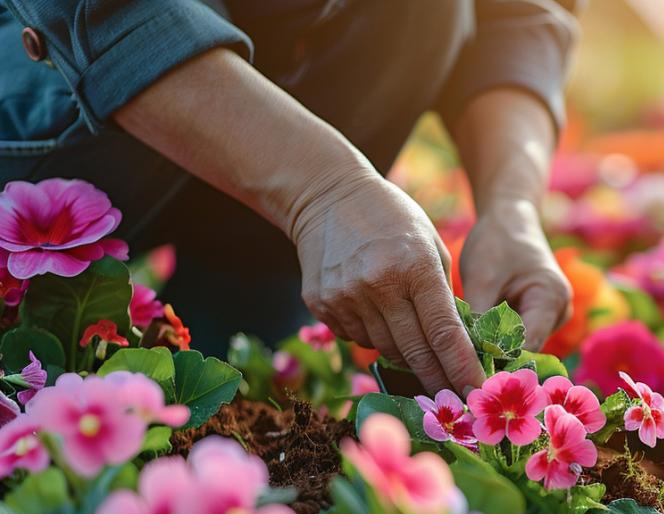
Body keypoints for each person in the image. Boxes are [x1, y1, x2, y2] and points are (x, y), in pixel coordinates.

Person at [0, 0, 582, 393]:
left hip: (278, 148)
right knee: (35, 373)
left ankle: (237, 343)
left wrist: (512, 207)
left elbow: (515, 13)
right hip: (52, 88)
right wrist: (325, 189)